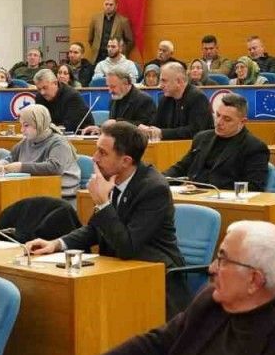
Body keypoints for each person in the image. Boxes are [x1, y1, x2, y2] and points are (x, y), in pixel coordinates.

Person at [82, 221, 275, 355]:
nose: (212, 268)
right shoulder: (211, 302)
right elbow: (155, 345)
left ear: (254, 280)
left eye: (223, 260)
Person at [27, 121, 190, 318]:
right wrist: (56, 244)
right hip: (119, 270)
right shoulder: (112, 179)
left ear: (126, 161)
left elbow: (127, 246)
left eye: (103, 153)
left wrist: (103, 203)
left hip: (156, 279)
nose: (94, 158)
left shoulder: (154, 189)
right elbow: (95, 229)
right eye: (97, 150)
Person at [165, 93, 270, 192]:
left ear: (242, 122)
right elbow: (181, 168)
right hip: (191, 194)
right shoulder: (202, 138)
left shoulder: (254, 147)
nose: (219, 122)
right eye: (218, 115)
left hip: (225, 200)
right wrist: (161, 180)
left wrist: (204, 190)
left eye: (227, 119)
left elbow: (253, 187)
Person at [0, 104, 81, 202]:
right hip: (34, 191)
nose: (22, 130)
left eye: (26, 125)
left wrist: (20, 167)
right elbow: (11, 158)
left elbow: (55, 167)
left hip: (61, 196)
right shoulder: (26, 141)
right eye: (21, 125)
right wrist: (0, 164)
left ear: (39, 123)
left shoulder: (59, 142)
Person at [139, 62, 213, 141]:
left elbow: (195, 131)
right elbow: (156, 124)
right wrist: (148, 129)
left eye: (164, 81)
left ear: (179, 82)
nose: (160, 85)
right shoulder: (165, 99)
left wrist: (162, 133)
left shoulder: (198, 98)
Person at [81, 70, 155, 133]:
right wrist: (99, 129)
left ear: (125, 83)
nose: (110, 91)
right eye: (108, 86)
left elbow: (145, 127)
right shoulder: (114, 99)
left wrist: (117, 122)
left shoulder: (144, 100)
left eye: (113, 87)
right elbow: (112, 125)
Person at [33, 67, 95, 133]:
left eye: (45, 88)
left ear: (55, 83)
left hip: (81, 135)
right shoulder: (39, 97)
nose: (42, 92)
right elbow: (39, 123)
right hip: (52, 134)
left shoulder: (72, 96)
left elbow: (69, 126)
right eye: (39, 89)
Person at [88, 0, 135, 65]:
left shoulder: (123, 21)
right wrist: (96, 48)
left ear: (116, 6)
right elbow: (90, 39)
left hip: (116, 59)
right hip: (98, 58)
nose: (108, 7)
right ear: (103, 4)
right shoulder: (95, 19)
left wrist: (121, 51)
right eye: (106, 4)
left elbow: (130, 41)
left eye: (111, 5)